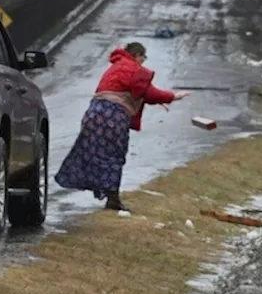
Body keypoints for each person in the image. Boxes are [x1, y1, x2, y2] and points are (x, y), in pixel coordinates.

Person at [55, 42, 190, 211]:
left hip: (93, 114)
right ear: (137, 55)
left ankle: (94, 186)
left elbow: (135, 92)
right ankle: (112, 198)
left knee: (93, 152)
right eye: (143, 57)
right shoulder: (133, 68)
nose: (144, 61)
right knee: (114, 155)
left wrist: (157, 101)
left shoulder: (117, 66)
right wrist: (174, 96)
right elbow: (148, 92)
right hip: (113, 116)